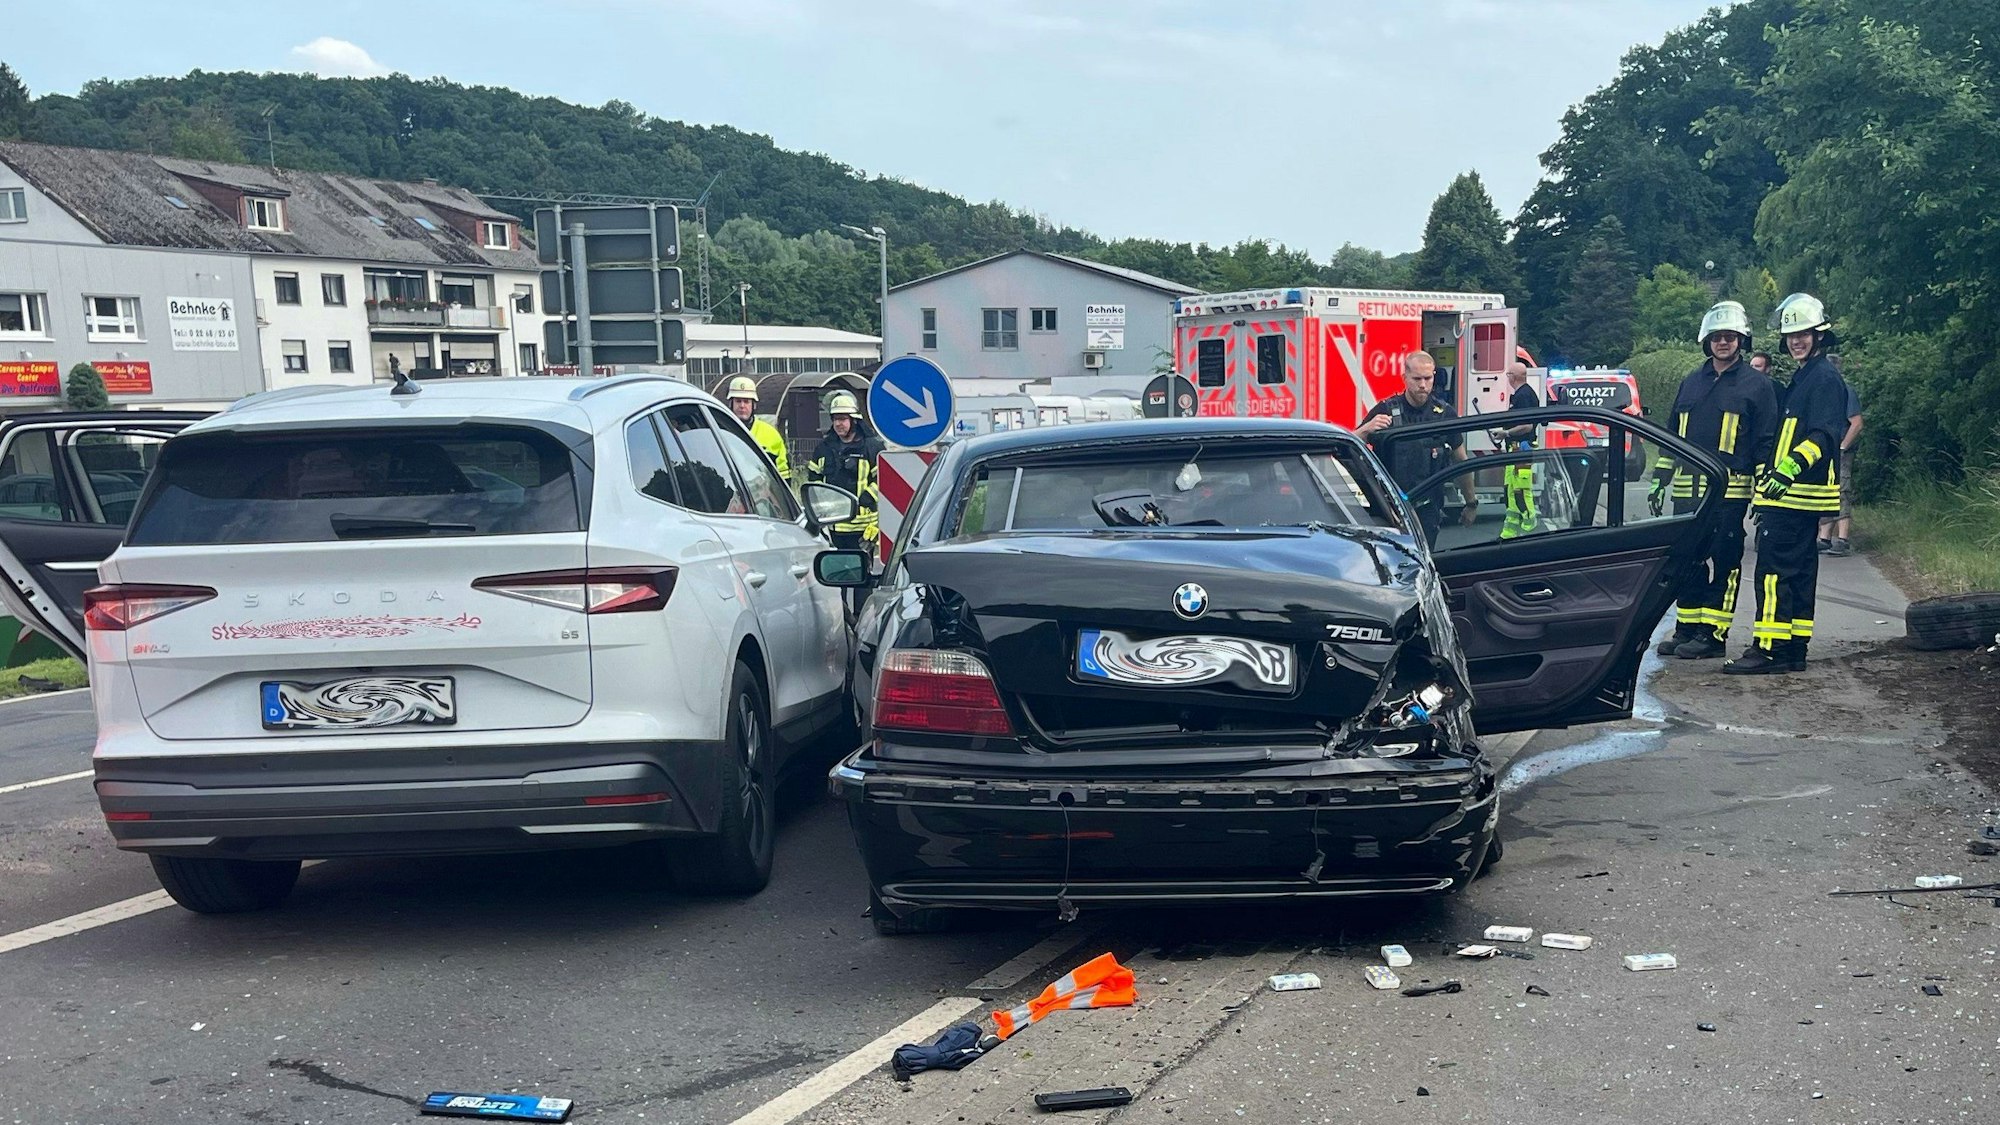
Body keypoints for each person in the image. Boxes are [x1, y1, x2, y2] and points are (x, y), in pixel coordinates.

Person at [1724, 293, 1850, 675]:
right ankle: (1793, 649)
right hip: (1794, 496)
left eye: (1804, 334)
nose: (1796, 341)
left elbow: (1823, 436)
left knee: (1774, 572)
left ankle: (1768, 649)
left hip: (1794, 494)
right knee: (1797, 573)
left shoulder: (1823, 379)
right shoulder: (1806, 377)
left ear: (1819, 335)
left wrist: (1785, 473)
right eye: (1792, 335)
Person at [1648, 301, 1778, 660]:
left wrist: (1763, 492)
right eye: (1718, 337)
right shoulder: (1691, 382)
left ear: (1741, 341)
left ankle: (1712, 635)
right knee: (1687, 560)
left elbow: (1765, 442)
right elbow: (1673, 438)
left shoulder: (1758, 386)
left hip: (1729, 493)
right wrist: (1660, 480)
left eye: (1730, 337)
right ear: (1707, 340)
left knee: (1724, 562)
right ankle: (1686, 628)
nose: (1723, 342)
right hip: (1687, 490)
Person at [1355, 352, 1476, 544]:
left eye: (1427, 378)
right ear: (1405, 378)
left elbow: (1461, 461)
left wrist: (1471, 503)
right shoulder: (1386, 410)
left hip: (1428, 509)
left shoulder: (1444, 414)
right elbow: (1350, 445)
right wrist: (1366, 429)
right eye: (1417, 379)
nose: (1423, 385)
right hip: (1390, 509)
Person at [806, 390, 883, 553]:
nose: (838, 424)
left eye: (842, 419)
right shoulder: (824, 449)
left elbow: (884, 480)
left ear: (854, 420)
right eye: (835, 419)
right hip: (833, 526)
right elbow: (814, 480)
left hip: (863, 528)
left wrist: (868, 497)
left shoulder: (871, 447)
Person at [1817, 361, 1862, 556]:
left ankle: (1843, 539)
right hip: (1824, 451)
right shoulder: (1823, 393)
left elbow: (1857, 423)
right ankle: (1825, 538)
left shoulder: (1846, 391)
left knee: (1842, 490)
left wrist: (1843, 447)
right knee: (1826, 491)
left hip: (1840, 451)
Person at [1493, 361, 1542, 539]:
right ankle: (1510, 533)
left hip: (1521, 448)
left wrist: (1506, 433)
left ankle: (1530, 529)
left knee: (1521, 490)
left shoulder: (1523, 396)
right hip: (1515, 449)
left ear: (1513, 377)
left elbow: (1527, 426)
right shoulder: (1523, 394)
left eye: (1508, 375)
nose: (1507, 378)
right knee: (1511, 490)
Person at [724, 376, 792, 484]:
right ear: (730, 404)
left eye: (746, 401)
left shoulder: (771, 435)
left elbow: (784, 477)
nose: (742, 406)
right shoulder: (720, 432)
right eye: (738, 401)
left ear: (754, 405)